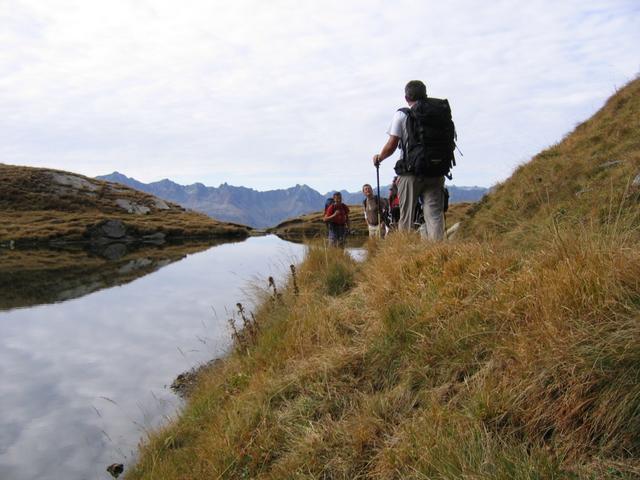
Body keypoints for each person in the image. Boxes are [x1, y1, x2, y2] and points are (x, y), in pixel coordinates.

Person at [372, 80, 454, 241]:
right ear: (425, 94)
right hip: (437, 170)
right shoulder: (439, 112)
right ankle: (438, 251)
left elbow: (392, 144)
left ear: (406, 97)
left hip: (411, 173)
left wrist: (379, 157)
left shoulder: (403, 114)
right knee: (434, 214)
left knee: (407, 215)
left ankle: (405, 251)